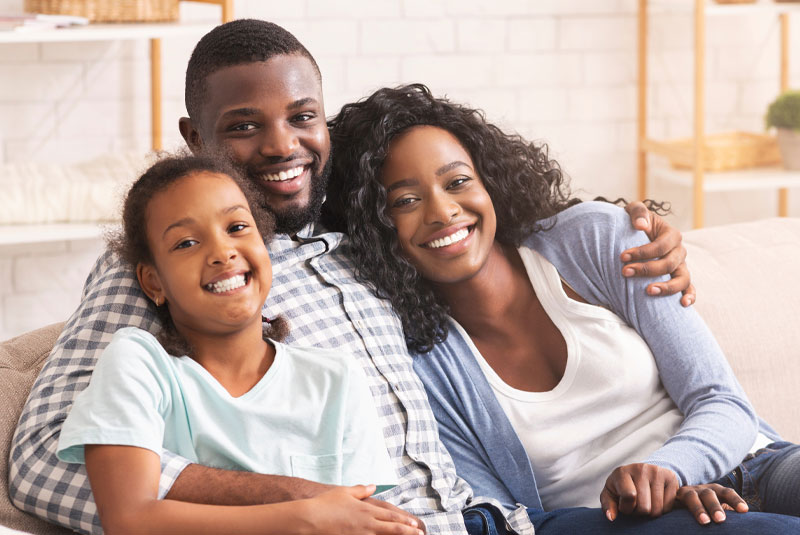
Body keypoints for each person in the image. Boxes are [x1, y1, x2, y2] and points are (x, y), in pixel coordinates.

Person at [10, 20, 693, 535]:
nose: (282, 145)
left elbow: (482, 218)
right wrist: (293, 502)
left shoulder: (364, 232)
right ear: (197, 139)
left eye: (302, 118)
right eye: (244, 127)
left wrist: (638, 226)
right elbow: (40, 458)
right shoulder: (184, 266)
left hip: (497, 518)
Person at [323, 83, 800, 534]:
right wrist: (646, 506)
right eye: (406, 200)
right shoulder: (420, 362)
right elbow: (501, 514)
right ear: (375, 225)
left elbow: (722, 400)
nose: (443, 211)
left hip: (755, 466)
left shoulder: (591, 239)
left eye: (458, 181)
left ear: (488, 181)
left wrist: (670, 469)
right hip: (626, 523)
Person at [53, 153, 417, 534]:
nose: (222, 252)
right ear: (153, 283)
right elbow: (131, 521)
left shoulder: (335, 377)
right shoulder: (139, 364)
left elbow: (356, 519)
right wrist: (303, 516)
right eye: (187, 242)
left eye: (237, 227)